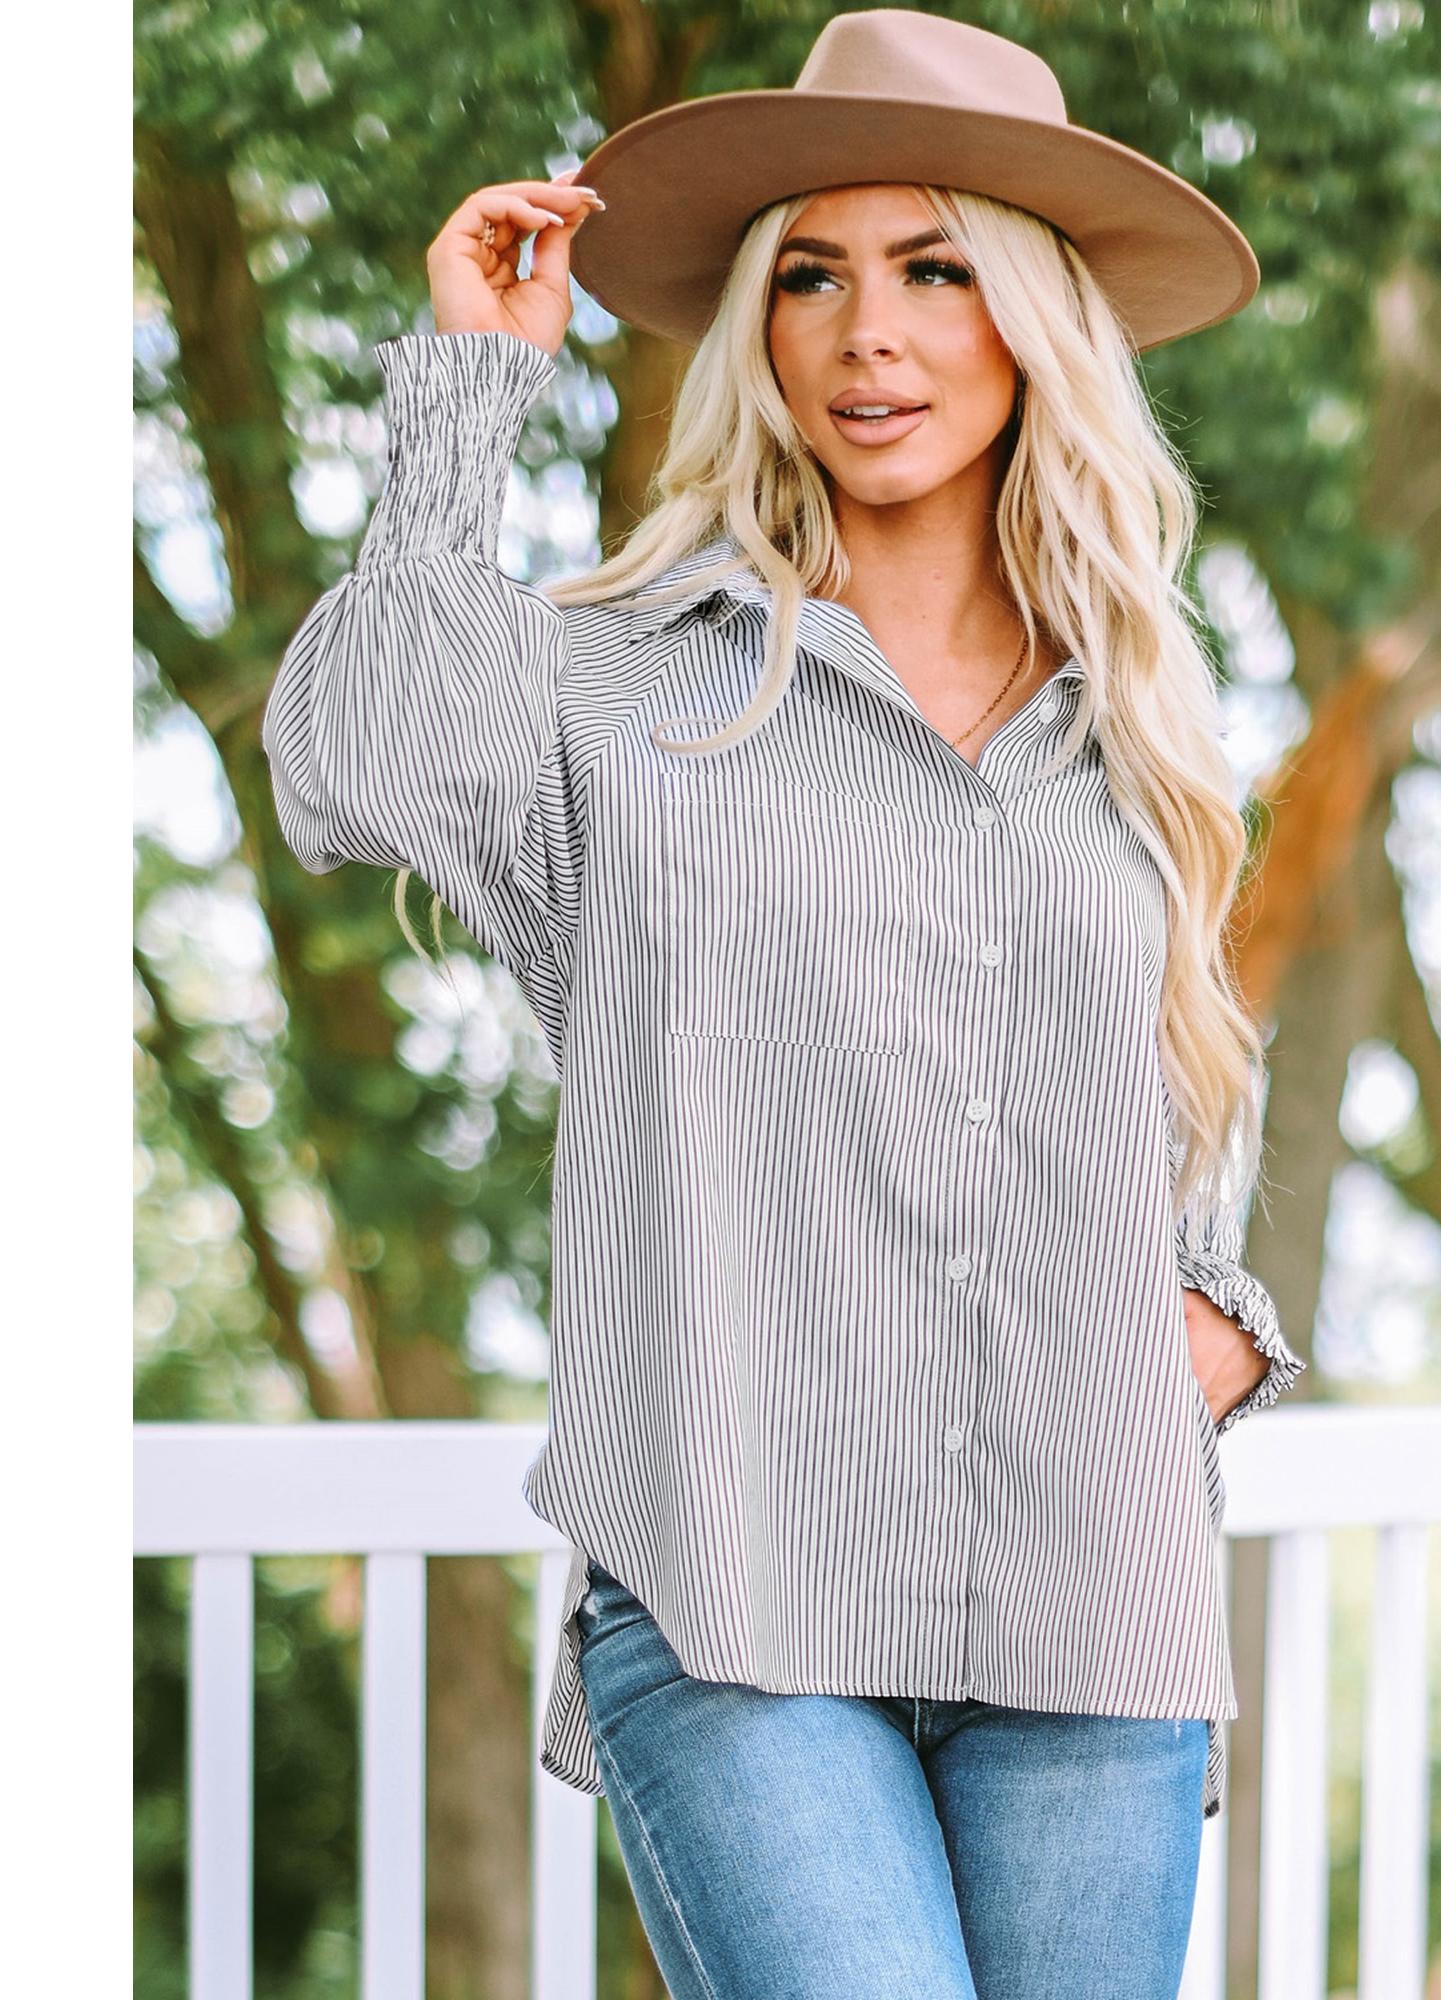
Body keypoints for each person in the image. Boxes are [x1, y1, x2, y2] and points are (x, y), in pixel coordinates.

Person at [262, 11, 1308, 1996]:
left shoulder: (1141, 737)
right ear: (757, 325)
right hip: (738, 1599)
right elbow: (355, 769)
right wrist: (470, 393)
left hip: (1093, 1606)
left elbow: (1169, 1123)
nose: (866, 336)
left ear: (1036, 323)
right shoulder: (616, 681)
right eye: (811, 276)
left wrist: (1219, 1332)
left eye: (935, 272)